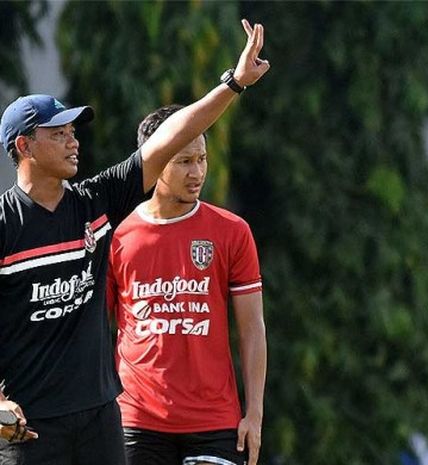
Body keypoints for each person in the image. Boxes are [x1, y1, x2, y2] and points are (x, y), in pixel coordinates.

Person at [0, 19, 269, 465]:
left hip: (101, 421)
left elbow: (170, 137)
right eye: (59, 133)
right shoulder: (6, 225)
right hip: (29, 428)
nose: (73, 142)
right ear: (25, 146)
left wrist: (234, 83)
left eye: (73, 132)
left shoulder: (96, 204)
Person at [107, 103, 266, 465]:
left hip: (214, 422)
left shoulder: (232, 232)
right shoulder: (116, 235)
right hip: (136, 421)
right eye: (183, 161)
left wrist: (254, 415)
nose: (197, 172)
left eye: (202, 159)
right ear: (154, 159)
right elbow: (94, 329)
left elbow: (252, 329)